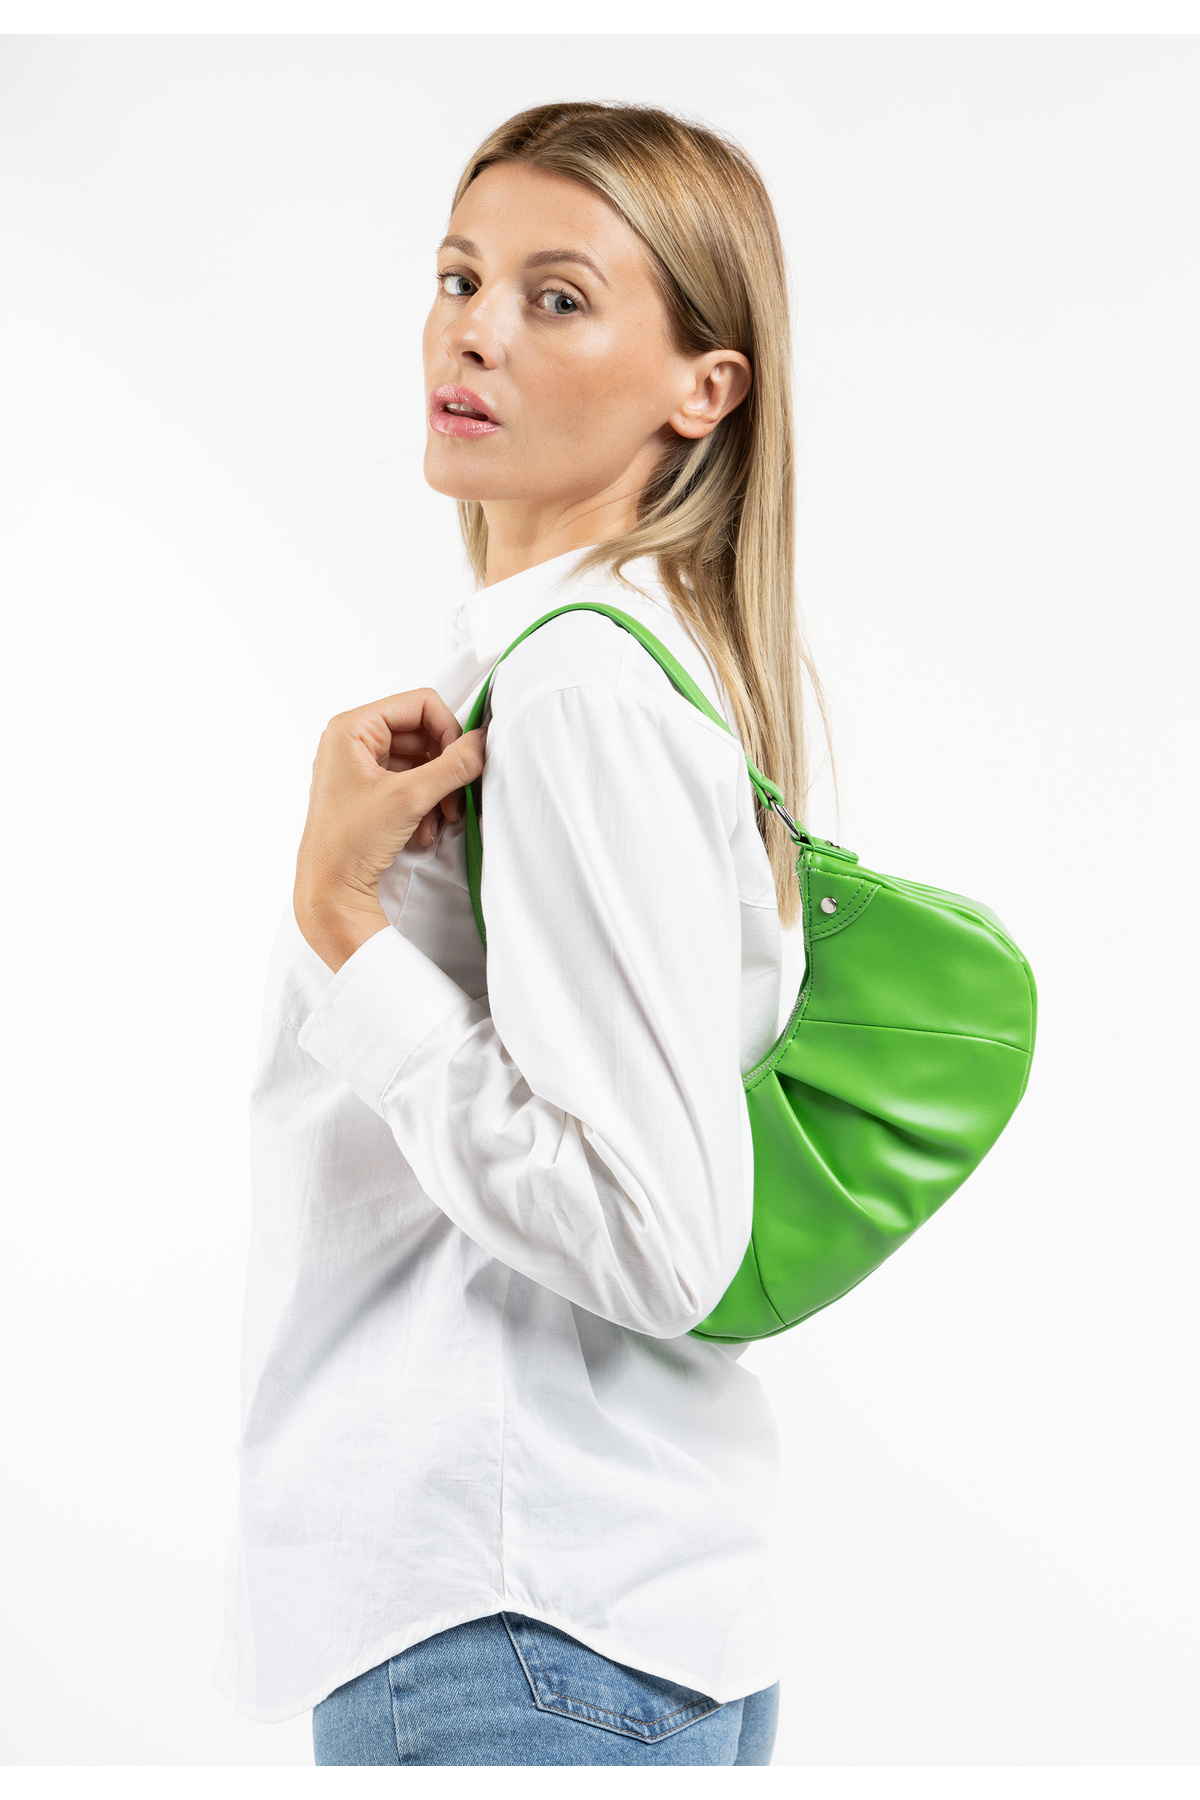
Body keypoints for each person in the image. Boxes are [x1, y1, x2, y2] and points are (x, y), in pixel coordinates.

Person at [215, 99, 821, 1767]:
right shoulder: (591, 669)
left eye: (558, 297)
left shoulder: (578, 688)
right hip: (586, 1607)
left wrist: (343, 929)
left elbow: (660, 1237)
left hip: (509, 1618)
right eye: (459, 276)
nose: (474, 329)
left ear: (705, 388)